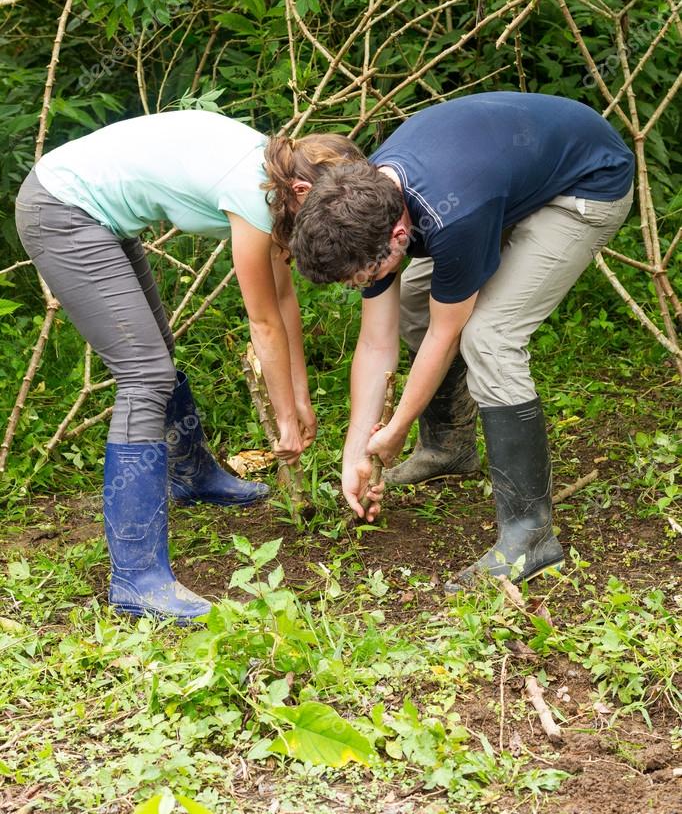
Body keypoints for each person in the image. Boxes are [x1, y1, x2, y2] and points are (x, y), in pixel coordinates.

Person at [15, 111, 360, 622]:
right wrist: (285, 418)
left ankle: (192, 476)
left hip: (95, 213)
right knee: (145, 375)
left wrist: (300, 399)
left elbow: (284, 298)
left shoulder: (277, 172)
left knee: (156, 349)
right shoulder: (255, 195)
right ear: (304, 190)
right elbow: (263, 323)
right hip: (61, 209)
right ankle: (137, 578)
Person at [289, 92, 635, 589]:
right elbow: (375, 343)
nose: (360, 287)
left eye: (362, 276)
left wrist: (395, 429)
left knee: (489, 337)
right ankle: (449, 448)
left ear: (399, 237)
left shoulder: (454, 216)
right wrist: (356, 449)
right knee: (412, 302)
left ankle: (531, 533)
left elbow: (447, 333)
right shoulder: (365, 200)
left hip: (584, 185)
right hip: (502, 177)